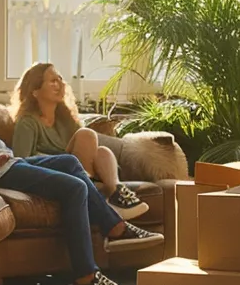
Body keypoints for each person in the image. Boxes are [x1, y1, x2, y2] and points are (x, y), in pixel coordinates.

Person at [0, 29, 164, 285]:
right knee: (74, 188)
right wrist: (0, 156)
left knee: (69, 161)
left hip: (0, 163)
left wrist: (3, 153)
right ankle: (86, 277)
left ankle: (115, 227)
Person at [9, 62, 149, 221]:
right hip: (57, 173)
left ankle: (116, 191)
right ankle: (92, 195)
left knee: (102, 151)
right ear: (35, 91)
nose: (60, 84)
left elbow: (87, 152)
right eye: (52, 81)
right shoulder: (27, 122)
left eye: (60, 79)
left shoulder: (65, 119)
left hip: (80, 171)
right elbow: (20, 161)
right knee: (86, 135)